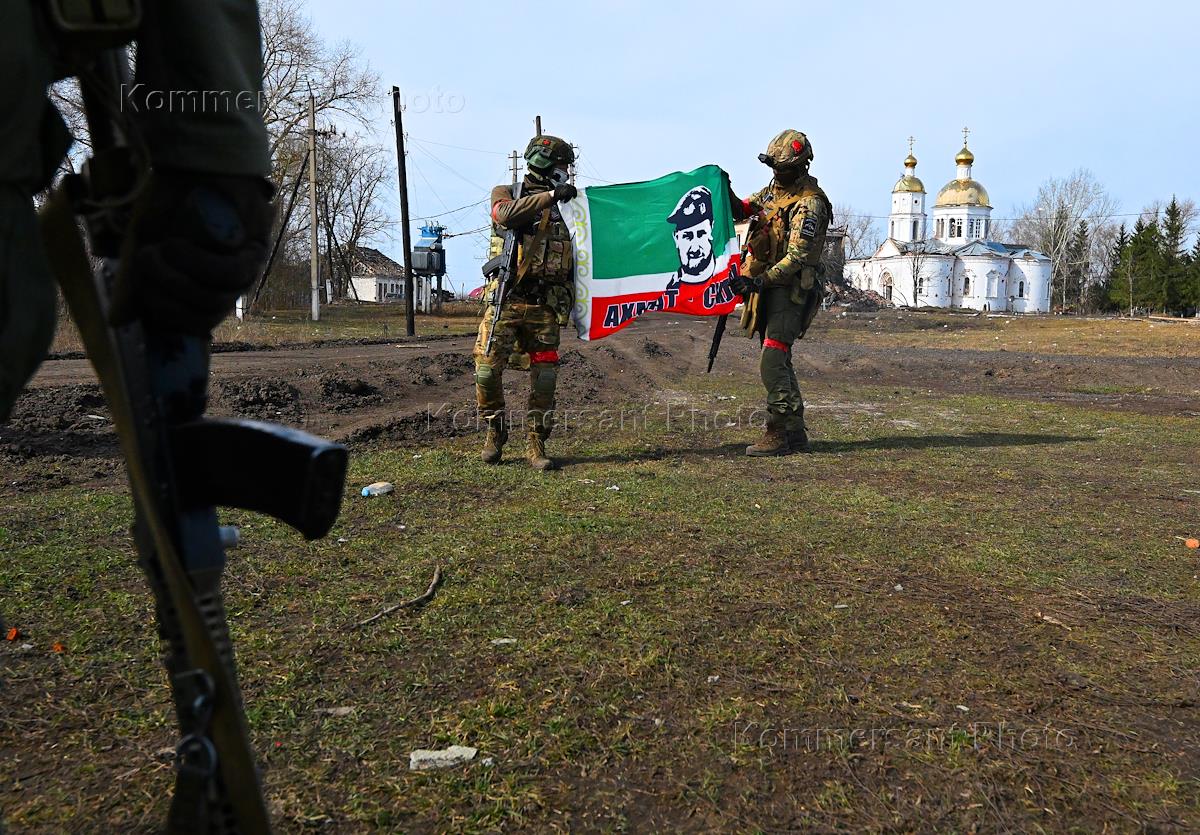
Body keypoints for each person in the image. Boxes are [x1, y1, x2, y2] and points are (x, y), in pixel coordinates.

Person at [727, 129, 833, 456]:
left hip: (791, 291)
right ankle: (795, 432)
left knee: (773, 358)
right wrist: (724, 190)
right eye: (773, 167)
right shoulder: (773, 192)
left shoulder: (810, 203)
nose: (776, 173)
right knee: (780, 359)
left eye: (782, 168)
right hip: (771, 287)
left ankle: (777, 432)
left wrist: (760, 281)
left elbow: (798, 256)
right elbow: (744, 210)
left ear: (801, 167)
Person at [474, 134, 577, 471]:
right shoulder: (506, 192)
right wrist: (550, 196)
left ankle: (536, 441)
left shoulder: (570, 204)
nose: (565, 172)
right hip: (507, 300)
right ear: (546, 165)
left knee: (545, 378)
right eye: (562, 165)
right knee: (487, 371)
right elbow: (504, 215)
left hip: (544, 305)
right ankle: (495, 430)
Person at [665, 186, 716, 289]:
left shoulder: (728, 274)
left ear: (711, 229)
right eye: (687, 237)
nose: (695, 249)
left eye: (701, 234)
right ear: (676, 238)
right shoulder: (669, 287)